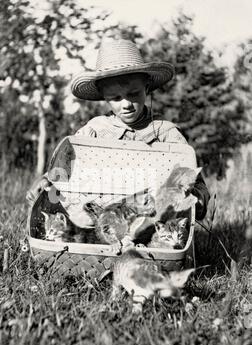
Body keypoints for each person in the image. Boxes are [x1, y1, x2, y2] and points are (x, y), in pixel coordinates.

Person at [26, 38, 210, 221]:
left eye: (134, 94)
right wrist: (46, 181)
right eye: (115, 98)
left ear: (146, 88)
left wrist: (196, 199)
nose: (126, 104)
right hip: (100, 219)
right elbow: (64, 169)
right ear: (104, 97)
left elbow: (195, 181)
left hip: (153, 220)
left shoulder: (165, 133)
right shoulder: (94, 132)